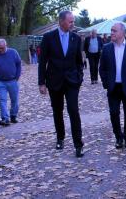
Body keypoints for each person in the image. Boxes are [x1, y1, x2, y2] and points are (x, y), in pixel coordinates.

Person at [38, 11, 85, 158]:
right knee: (57, 110)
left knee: (73, 110)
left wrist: (79, 77)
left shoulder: (76, 38)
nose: (72, 24)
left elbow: (79, 61)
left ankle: (78, 144)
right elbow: (42, 61)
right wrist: (41, 82)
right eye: (70, 21)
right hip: (54, 81)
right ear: (61, 21)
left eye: (73, 21)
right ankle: (60, 137)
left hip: (72, 81)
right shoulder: (48, 38)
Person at [99, 23, 126, 149]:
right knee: (114, 113)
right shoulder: (106, 48)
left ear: (122, 33)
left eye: (114, 31)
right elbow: (102, 68)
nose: (111, 33)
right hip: (113, 87)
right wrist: (106, 83)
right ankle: (118, 137)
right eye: (111, 30)